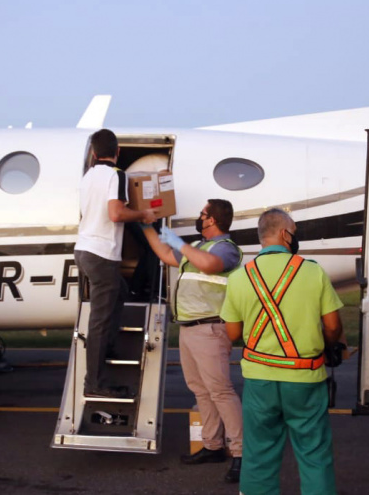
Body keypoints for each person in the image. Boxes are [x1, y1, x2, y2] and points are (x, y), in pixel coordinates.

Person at [221, 208, 343, 495]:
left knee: (259, 456)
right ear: (284, 234)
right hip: (305, 379)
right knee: (314, 454)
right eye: (294, 231)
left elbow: (233, 333)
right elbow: (334, 326)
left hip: (259, 381)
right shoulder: (313, 271)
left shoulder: (240, 277)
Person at [142, 199, 244, 483]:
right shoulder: (197, 249)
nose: (199, 218)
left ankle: (241, 452)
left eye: (202, 214)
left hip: (210, 329)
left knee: (220, 391)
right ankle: (212, 445)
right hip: (189, 329)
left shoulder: (225, 248)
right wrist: (146, 227)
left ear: (212, 220)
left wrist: (181, 243)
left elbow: (211, 266)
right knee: (200, 390)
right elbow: (165, 253)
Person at [74, 129, 156, 399]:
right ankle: (94, 382)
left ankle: (106, 346)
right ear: (117, 152)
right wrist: (143, 213)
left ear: (94, 154)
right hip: (101, 254)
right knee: (99, 319)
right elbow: (116, 213)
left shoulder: (87, 177)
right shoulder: (116, 175)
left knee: (119, 292)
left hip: (83, 250)